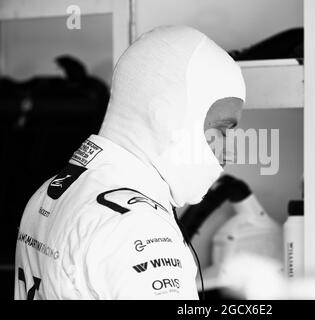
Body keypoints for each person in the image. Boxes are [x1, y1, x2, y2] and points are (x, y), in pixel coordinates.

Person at [14, 25, 245, 300]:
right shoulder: (139, 228)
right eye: (222, 130)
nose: (230, 152)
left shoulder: (52, 189)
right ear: (168, 117)